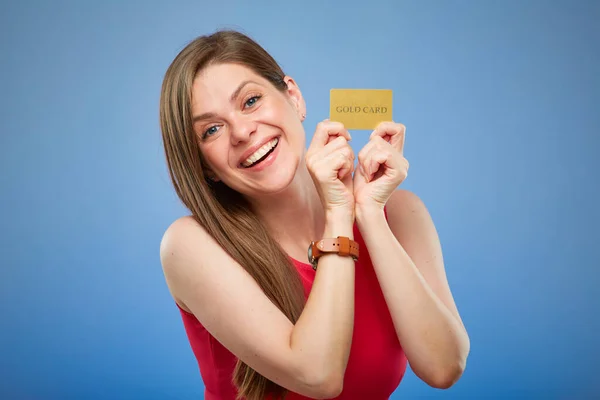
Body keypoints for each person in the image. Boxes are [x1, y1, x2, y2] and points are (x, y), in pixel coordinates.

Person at [158, 29, 470, 400]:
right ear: (203, 165)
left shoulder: (401, 213)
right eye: (211, 129)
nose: (241, 131)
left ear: (294, 96)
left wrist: (368, 215)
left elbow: (443, 367)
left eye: (251, 100)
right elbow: (317, 376)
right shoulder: (189, 246)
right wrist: (339, 214)